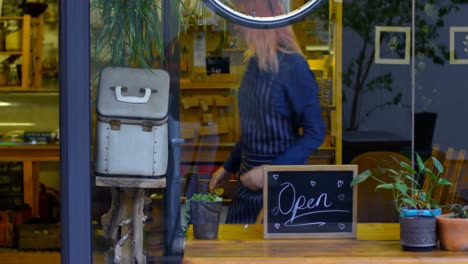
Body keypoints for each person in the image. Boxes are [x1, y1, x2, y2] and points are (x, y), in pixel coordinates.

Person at [209, 0, 325, 224]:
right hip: (247, 190)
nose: (238, 24)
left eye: (244, 14)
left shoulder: (294, 66)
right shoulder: (254, 64)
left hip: (283, 193)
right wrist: (227, 167)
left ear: (264, 16)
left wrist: (270, 172)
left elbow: (315, 133)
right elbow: (253, 130)